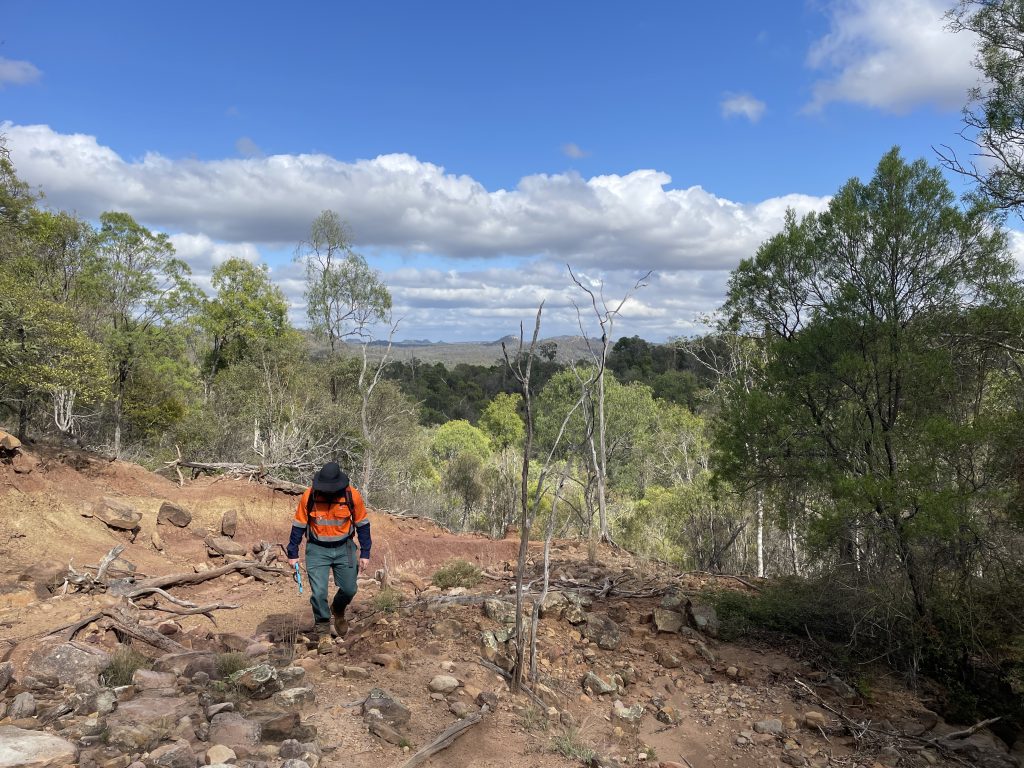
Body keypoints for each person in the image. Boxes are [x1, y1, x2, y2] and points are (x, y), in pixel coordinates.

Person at [287, 462, 371, 636]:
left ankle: (338, 609)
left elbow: (362, 525)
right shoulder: (309, 496)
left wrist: (365, 552)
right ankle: (323, 630)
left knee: (349, 589)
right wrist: (292, 552)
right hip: (317, 549)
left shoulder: (351, 496)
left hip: (344, 547)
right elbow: (298, 525)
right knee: (318, 593)